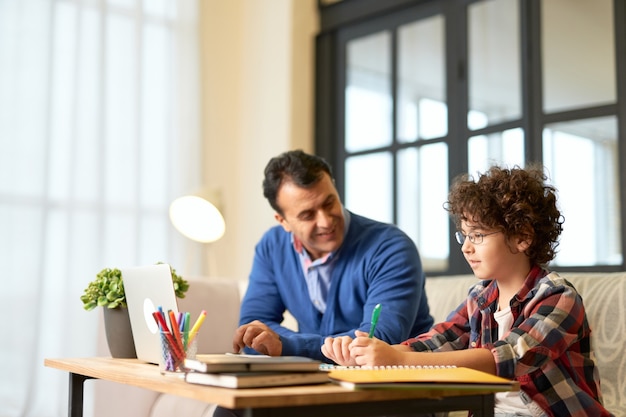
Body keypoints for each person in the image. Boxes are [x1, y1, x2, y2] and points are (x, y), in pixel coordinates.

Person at [322, 165, 611, 417]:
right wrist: (368, 355)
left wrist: (399, 360)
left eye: (478, 235)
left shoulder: (558, 296)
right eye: (464, 235)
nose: (466, 246)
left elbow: (507, 357)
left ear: (522, 237)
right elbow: (437, 341)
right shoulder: (480, 297)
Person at [233, 149, 434, 361]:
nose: (326, 221)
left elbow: (376, 341)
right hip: (316, 379)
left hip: (395, 381)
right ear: (283, 221)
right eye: (307, 215)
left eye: (329, 203)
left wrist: (286, 345)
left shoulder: (390, 247)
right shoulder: (272, 247)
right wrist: (277, 344)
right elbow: (252, 332)